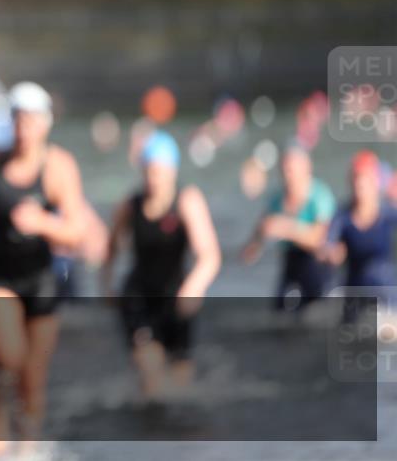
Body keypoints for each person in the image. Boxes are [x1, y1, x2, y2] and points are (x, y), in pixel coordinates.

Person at [0, 81, 93, 456]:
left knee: (32, 378)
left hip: (41, 280)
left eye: (30, 120)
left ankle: (28, 449)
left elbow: (77, 232)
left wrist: (42, 223)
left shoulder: (58, 167)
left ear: (45, 124)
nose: (23, 129)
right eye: (17, 120)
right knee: (10, 354)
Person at [101, 131, 221, 399]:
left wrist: (194, 286)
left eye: (159, 172)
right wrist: (106, 284)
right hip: (139, 298)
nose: (153, 179)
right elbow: (110, 248)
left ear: (173, 170)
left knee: (181, 389)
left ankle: (166, 435)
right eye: (149, 171)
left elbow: (210, 255)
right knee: (151, 376)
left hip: (177, 298)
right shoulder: (131, 205)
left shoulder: (187, 201)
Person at [241, 142, 336, 311]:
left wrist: (286, 228)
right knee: (281, 308)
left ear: (306, 169)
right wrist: (253, 247)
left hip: (315, 262)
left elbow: (320, 239)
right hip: (290, 261)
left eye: (291, 171)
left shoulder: (320, 196)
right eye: (284, 171)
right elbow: (261, 231)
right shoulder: (277, 200)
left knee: (316, 308)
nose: (287, 176)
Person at [321, 150, 397, 322]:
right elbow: (327, 246)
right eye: (356, 178)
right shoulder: (342, 216)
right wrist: (332, 254)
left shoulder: (388, 213)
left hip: (385, 289)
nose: (360, 184)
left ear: (376, 183)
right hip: (354, 288)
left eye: (365, 179)